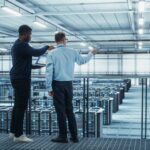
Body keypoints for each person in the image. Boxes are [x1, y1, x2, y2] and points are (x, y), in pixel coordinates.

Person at [46, 32, 96, 143]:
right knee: (70, 111)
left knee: (60, 112)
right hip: (69, 84)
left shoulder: (51, 53)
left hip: (57, 84)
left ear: (56, 40)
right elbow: (82, 61)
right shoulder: (73, 51)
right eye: (66, 39)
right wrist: (91, 53)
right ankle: (74, 136)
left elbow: (49, 72)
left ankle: (63, 136)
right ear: (64, 40)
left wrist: (49, 88)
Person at [9, 25, 53, 142]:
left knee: (17, 106)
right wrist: (47, 46)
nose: (30, 37)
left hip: (17, 77)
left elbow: (23, 63)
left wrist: (40, 66)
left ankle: (13, 132)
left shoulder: (16, 44)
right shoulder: (22, 45)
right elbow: (36, 52)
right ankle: (19, 135)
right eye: (30, 34)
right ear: (24, 34)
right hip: (21, 79)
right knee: (21, 107)